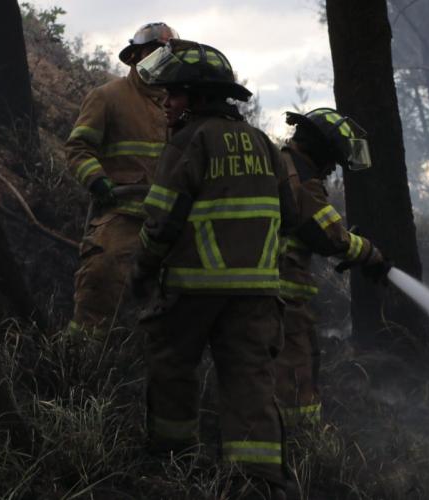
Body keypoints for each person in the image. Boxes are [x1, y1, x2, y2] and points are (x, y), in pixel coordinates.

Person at [130, 39, 296, 498]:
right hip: (258, 292)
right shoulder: (264, 143)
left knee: (172, 367)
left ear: (198, 98)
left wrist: (141, 270)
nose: (166, 103)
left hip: (193, 287)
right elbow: (291, 213)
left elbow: (161, 218)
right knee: (250, 382)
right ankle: (257, 482)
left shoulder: (190, 140)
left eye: (175, 94)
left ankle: (172, 462)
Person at [64, 22, 179, 339]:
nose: (161, 59)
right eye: (153, 51)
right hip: (122, 216)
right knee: (101, 280)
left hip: (171, 223)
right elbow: (78, 147)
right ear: (135, 56)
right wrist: (97, 180)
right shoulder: (108, 97)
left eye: (168, 53)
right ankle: (79, 362)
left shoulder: (181, 105)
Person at [276, 108, 387, 427]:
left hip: (267, 292)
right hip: (281, 296)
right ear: (322, 152)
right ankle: (304, 443)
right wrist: (370, 254)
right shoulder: (301, 177)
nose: (329, 172)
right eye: (332, 163)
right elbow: (329, 236)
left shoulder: (281, 164)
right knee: (297, 373)